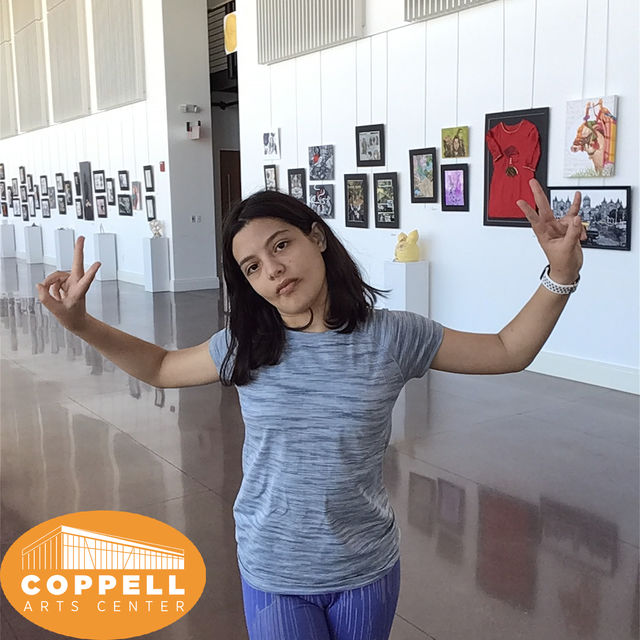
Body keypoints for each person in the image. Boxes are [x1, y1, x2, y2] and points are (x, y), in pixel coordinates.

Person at [37, 178, 585, 640]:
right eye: (252, 267)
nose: (273, 270)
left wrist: (561, 274)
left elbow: (507, 351)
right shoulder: (245, 345)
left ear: (316, 237)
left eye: (281, 245)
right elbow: (160, 367)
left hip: (363, 564)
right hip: (275, 567)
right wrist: (81, 324)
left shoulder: (392, 337)